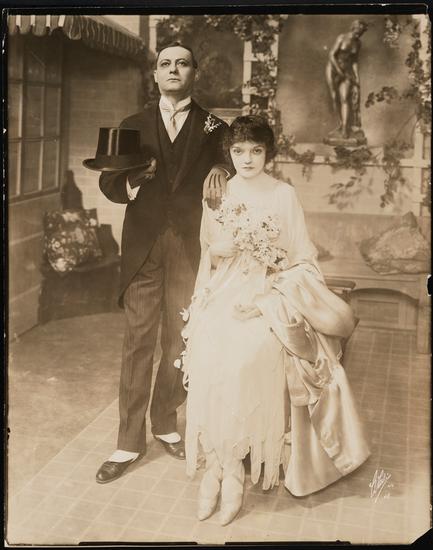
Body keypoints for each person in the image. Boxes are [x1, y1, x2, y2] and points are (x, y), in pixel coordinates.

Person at [180, 115, 370, 525]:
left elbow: (303, 259)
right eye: (238, 151)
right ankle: (219, 466)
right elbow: (208, 252)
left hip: (271, 294)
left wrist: (266, 300)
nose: (247, 159)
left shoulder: (284, 195)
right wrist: (222, 248)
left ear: (269, 153)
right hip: (224, 291)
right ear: (229, 153)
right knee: (208, 349)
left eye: (256, 151)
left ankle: (233, 472)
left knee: (247, 356)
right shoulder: (218, 191)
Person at [95, 42, 230, 484]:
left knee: (180, 341)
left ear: (194, 73)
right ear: (155, 75)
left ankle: (166, 423)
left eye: (182, 63)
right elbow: (110, 183)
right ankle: (128, 442)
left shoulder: (215, 128)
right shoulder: (132, 124)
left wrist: (223, 171)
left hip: (191, 247)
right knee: (138, 341)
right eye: (165, 64)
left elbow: (234, 165)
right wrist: (134, 181)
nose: (173, 69)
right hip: (143, 248)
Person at [325, 20, 368, 139]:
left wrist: (357, 78)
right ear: (354, 28)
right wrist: (339, 70)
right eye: (358, 31)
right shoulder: (342, 38)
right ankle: (340, 124)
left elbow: (354, 61)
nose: (359, 34)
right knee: (334, 97)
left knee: (344, 98)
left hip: (347, 70)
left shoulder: (358, 43)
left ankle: (344, 127)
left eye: (362, 32)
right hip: (333, 69)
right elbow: (331, 55)